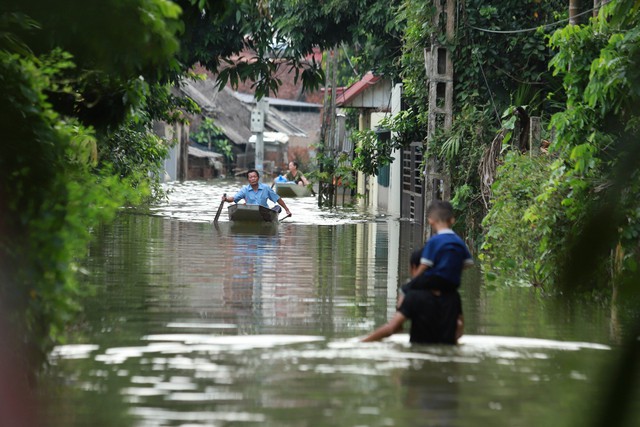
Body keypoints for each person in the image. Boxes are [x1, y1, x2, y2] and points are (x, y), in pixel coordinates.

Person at [362, 200, 471, 344]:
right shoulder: (454, 297)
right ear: (452, 220)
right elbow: (468, 264)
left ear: (430, 221)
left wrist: (414, 281)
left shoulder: (434, 242)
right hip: (452, 283)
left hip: (419, 354)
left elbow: (424, 265)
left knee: (405, 288)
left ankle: (401, 321)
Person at [223, 169, 292, 216]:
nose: (253, 178)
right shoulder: (245, 189)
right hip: (250, 213)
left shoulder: (266, 188)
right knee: (241, 206)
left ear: (258, 178)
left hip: (264, 213)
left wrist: (287, 210)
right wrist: (226, 199)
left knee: (277, 207)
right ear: (248, 179)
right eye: (251, 177)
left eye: (254, 177)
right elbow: (233, 198)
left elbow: (277, 199)